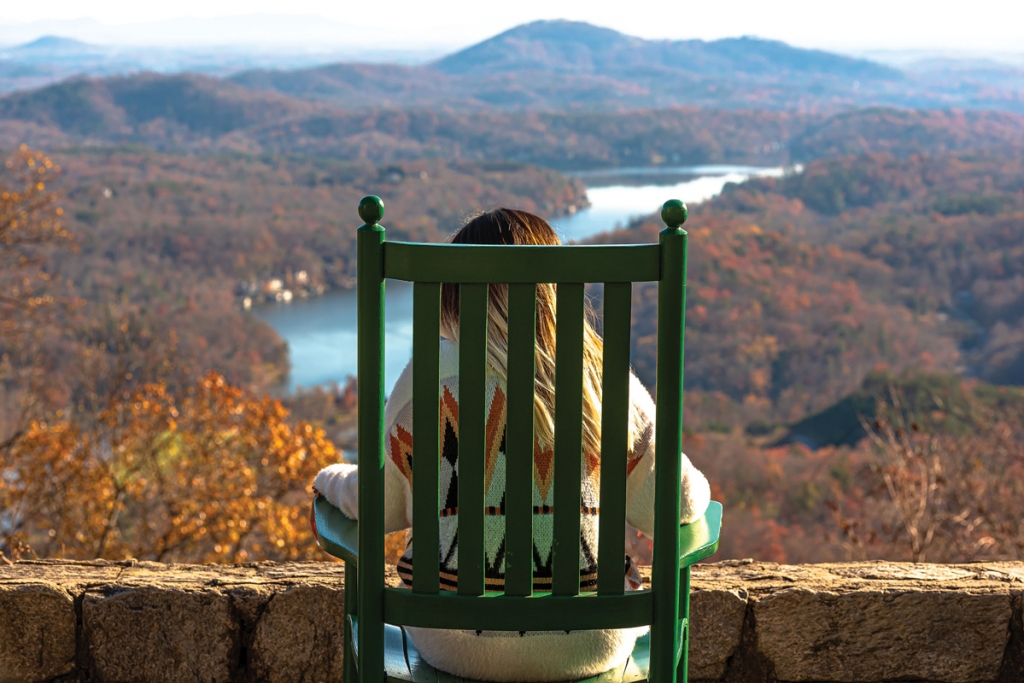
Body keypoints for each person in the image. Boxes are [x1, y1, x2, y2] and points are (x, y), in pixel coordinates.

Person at [313, 208, 710, 682]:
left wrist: (331, 481)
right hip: (592, 640)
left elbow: (387, 506)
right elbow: (676, 506)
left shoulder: (425, 380)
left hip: (450, 641)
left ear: (452, 297)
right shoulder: (602, 385)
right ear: (558, 289)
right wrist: (698, 484)